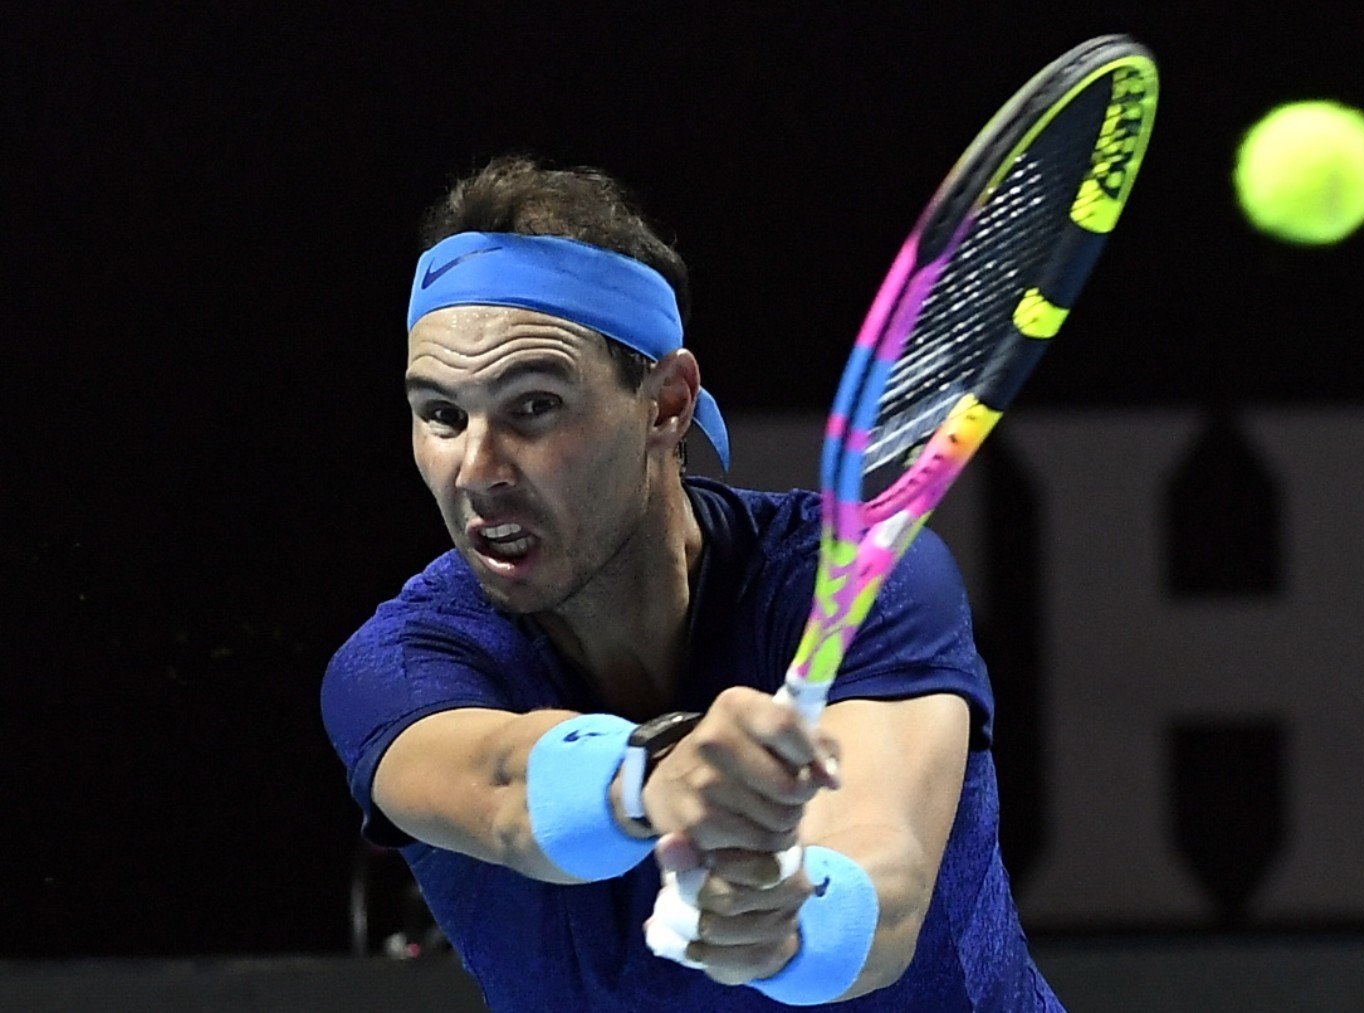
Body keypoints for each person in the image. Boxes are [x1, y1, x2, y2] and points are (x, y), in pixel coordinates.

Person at [320, 154, 1061, 1010]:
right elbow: (502, 786)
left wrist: (788, 923)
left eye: (534, 406)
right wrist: (649, 777)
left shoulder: (857, 576)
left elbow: (879, 887)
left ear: (666, 404)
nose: (478, 469)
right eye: (441, 415)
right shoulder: (396, 669)